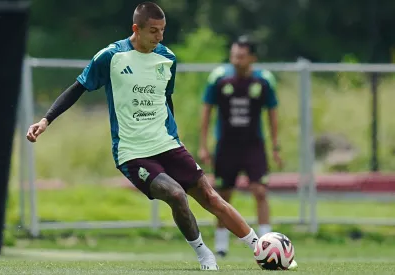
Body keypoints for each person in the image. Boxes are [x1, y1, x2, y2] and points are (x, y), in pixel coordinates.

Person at [27, 2, 297, 271]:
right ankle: (205, 255)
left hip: (167, 144)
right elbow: (78, 88)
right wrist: (45, 119)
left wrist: (175, 139)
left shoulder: (167, 58)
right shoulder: (111, 56)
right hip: (132, 151)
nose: (160, 37)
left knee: (210, 196)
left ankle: (259, 247)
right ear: (137, 29)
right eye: (154, 31)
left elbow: (165, 101)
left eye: (163, 30)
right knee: (177, 195)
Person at [199, 36, 282, 257]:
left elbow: (272, 113)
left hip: (253, 144)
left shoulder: (264, 81)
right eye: (234, 55)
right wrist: (204, 145)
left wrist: (275, 145)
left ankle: (267, 243)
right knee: (223, 194)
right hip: (226, 145)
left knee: (260, 191)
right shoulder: (219, 78)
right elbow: (206, 110)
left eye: (241, 56)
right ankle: (221, 245)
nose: (236, 60)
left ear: (252, 58)